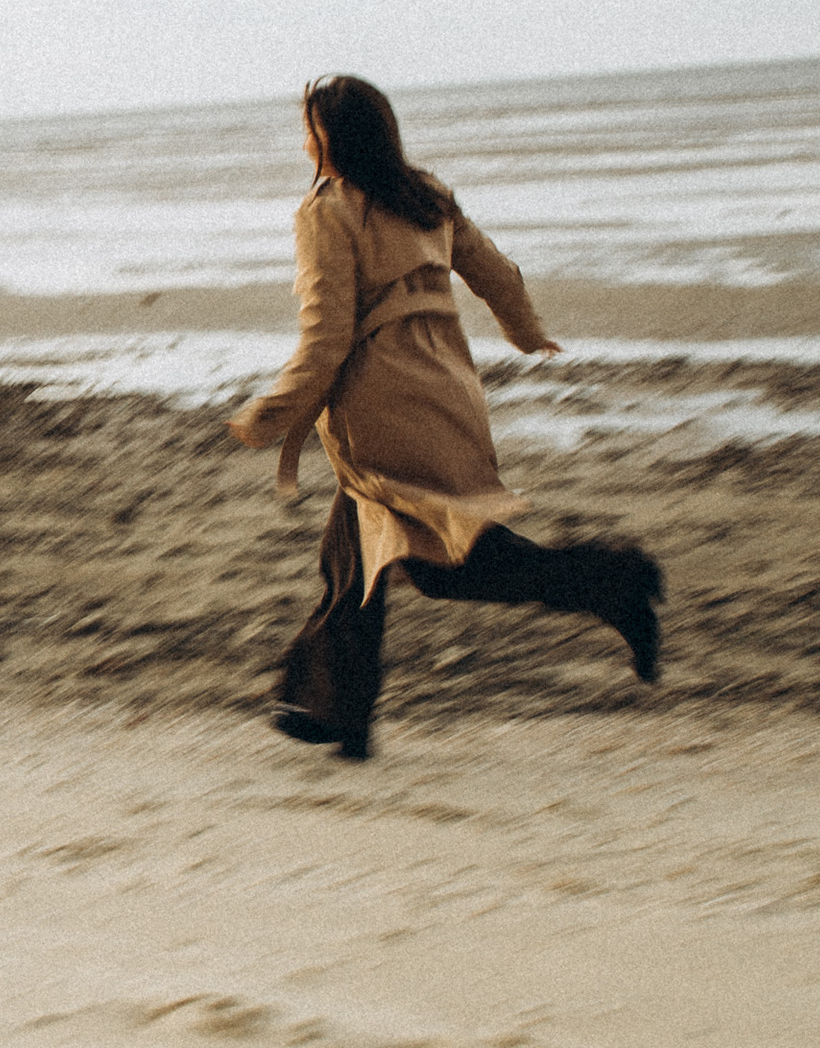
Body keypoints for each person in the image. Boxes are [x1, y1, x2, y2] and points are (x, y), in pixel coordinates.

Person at [227, 75, 661, 760]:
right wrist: (525, 334)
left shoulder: (327, 212)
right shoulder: (425, 194)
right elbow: (497, 275)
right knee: (355, 558)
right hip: (448, 391)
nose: (305, 139)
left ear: (332, 139)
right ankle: (335, 714)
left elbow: (327, 338)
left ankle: (611, 582)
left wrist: (270, 413)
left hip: (379, 406)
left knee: (440, 565)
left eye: (310, 127)